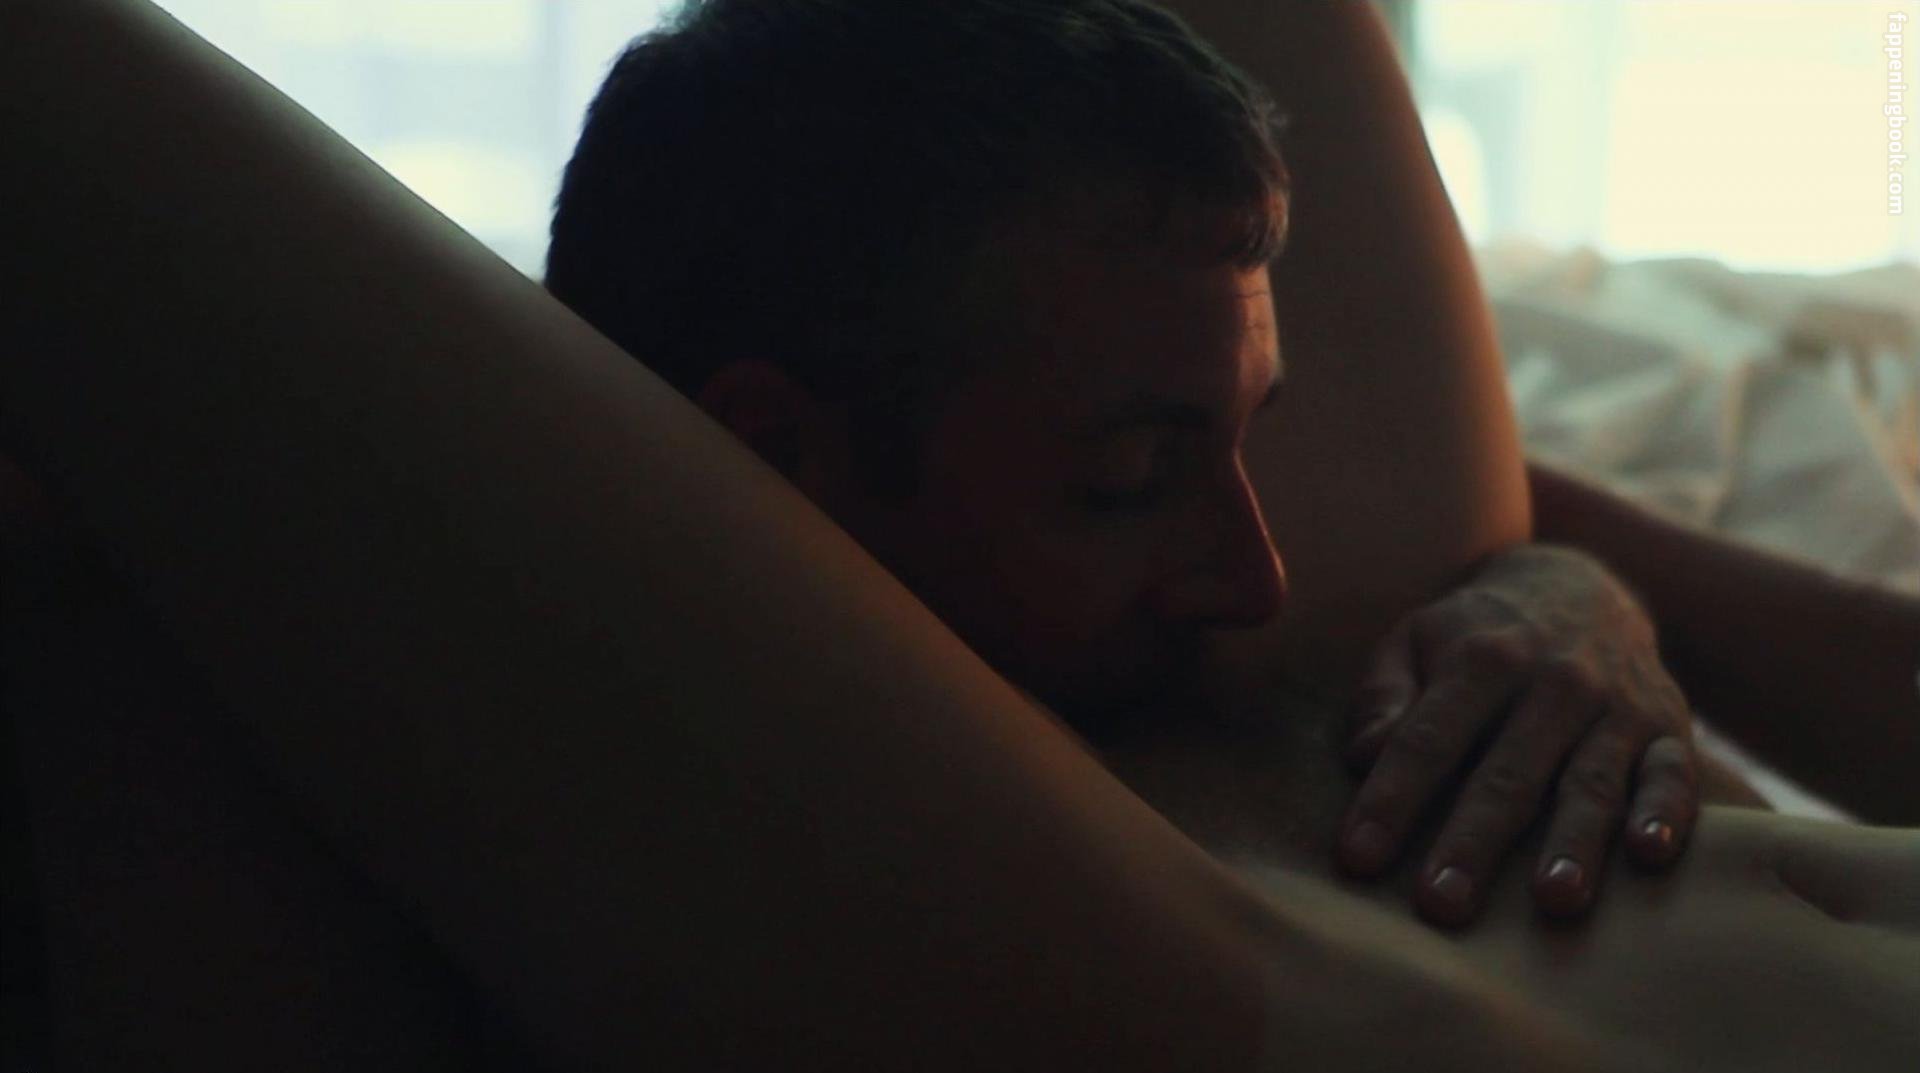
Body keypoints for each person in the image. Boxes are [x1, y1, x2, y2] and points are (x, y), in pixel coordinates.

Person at [3, 0, 1917, 1069]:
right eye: (1129, 474)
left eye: (1245, 441)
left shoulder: (1308, 607)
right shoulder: (845, 843)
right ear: (769, 460)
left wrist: (1580, 582)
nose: (1249, 565)